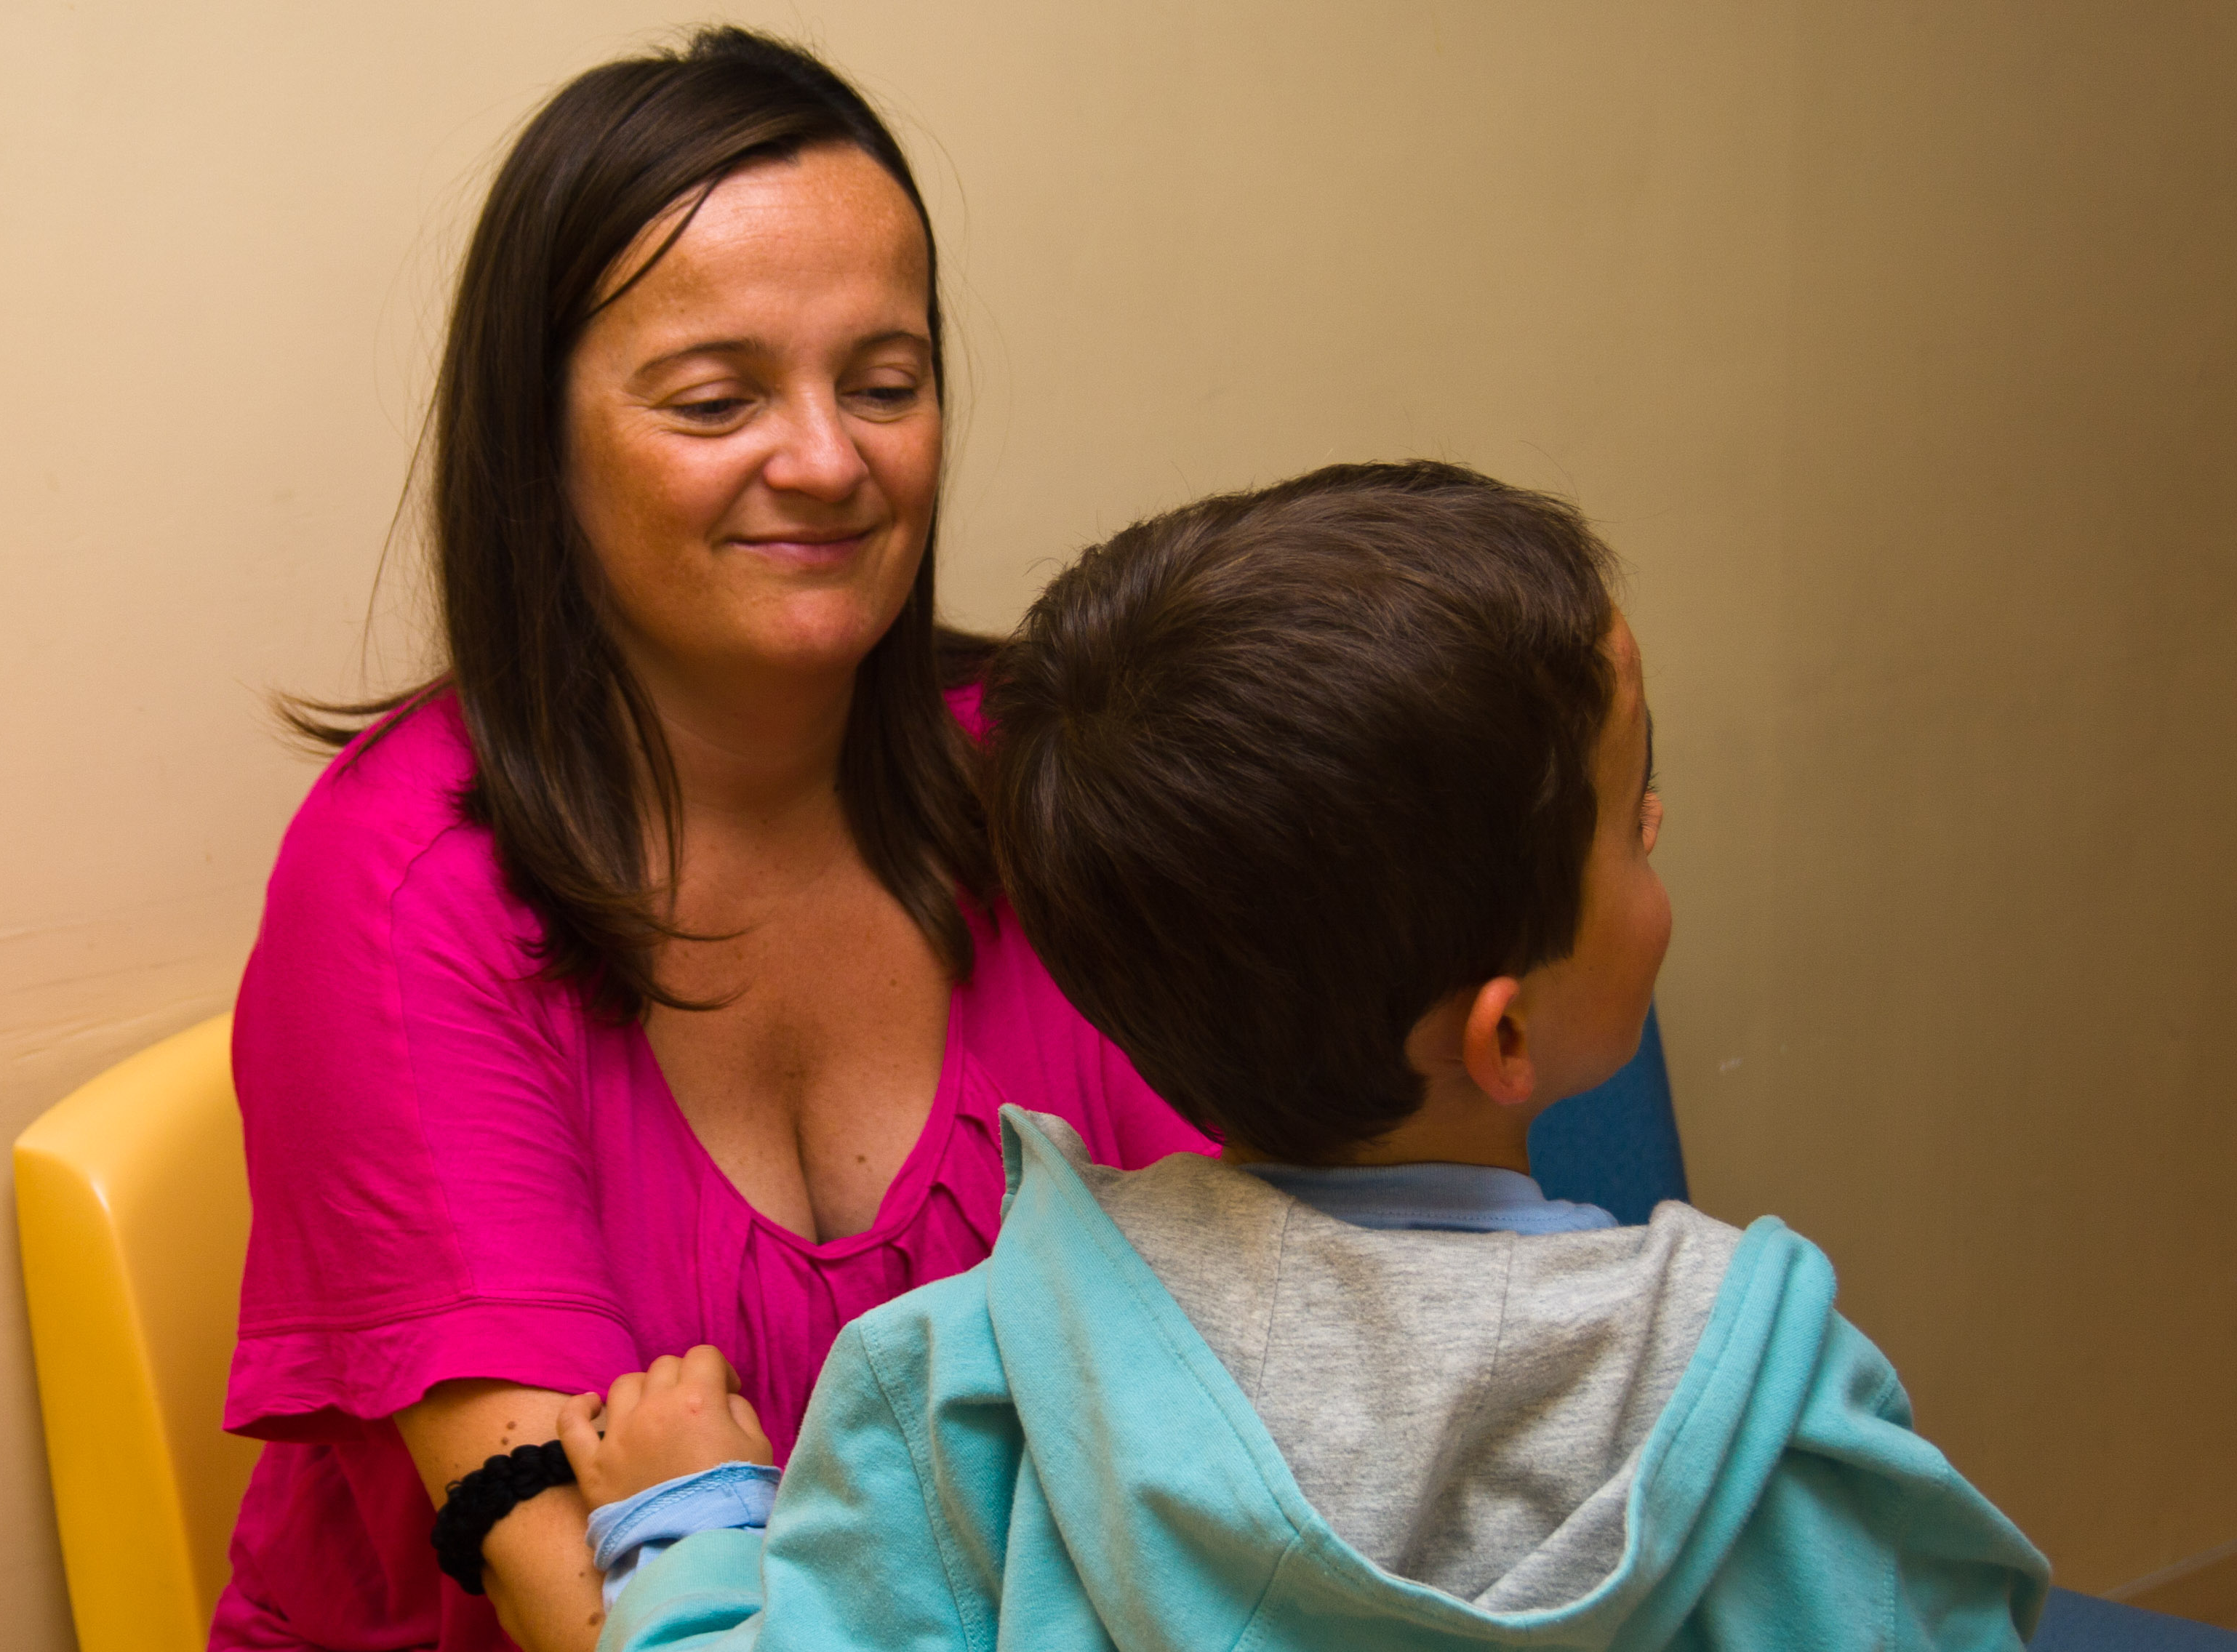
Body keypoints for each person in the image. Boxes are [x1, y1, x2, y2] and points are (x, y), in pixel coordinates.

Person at [559, 461, 2053, 1650]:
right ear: (1503, 1032)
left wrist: (689, 1534)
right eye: (1632, 819)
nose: (1657, 833)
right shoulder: (1761, 1415)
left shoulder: (972, 1396)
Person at [212, 29, 1206, 1652]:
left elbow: (1257, 1347)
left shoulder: (1060, 782)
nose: (828, 461)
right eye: (716, 399)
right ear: (541, 444)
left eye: (884, 384)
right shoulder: (400, 886)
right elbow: (582, 1598)